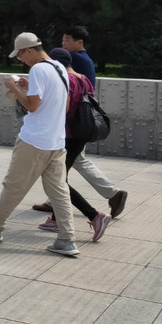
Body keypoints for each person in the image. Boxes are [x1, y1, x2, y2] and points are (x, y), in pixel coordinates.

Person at [0, 32, 80, 257]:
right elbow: (64, 106)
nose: (21, 60)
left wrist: (14, 87)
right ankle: (67, 240)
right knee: (59, 191)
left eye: (20, 56)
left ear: (28, 51)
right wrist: (29, 88)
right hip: (56, 142)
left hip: (34, 140)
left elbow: (32, 106)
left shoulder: (37, 69)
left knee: (13, 185)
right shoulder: (59, 68)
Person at [33, 26, 128, 218]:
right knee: (69, 165)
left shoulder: (73, 60)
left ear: (79, 42)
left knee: (61, 171)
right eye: (63, 41)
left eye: (67, 40)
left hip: (72, 125)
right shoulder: (86, 60)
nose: (64, 44)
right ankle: (56, 203)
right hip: (80, 123)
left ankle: (108, 197)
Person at [35, 48, 110, 241]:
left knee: (58, 180)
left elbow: (64, 108)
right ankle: (56, 219)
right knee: (59, 178)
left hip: (66, 136)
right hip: (81, 135)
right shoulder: (83, 78)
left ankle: (94, 216)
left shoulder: (65, 80)